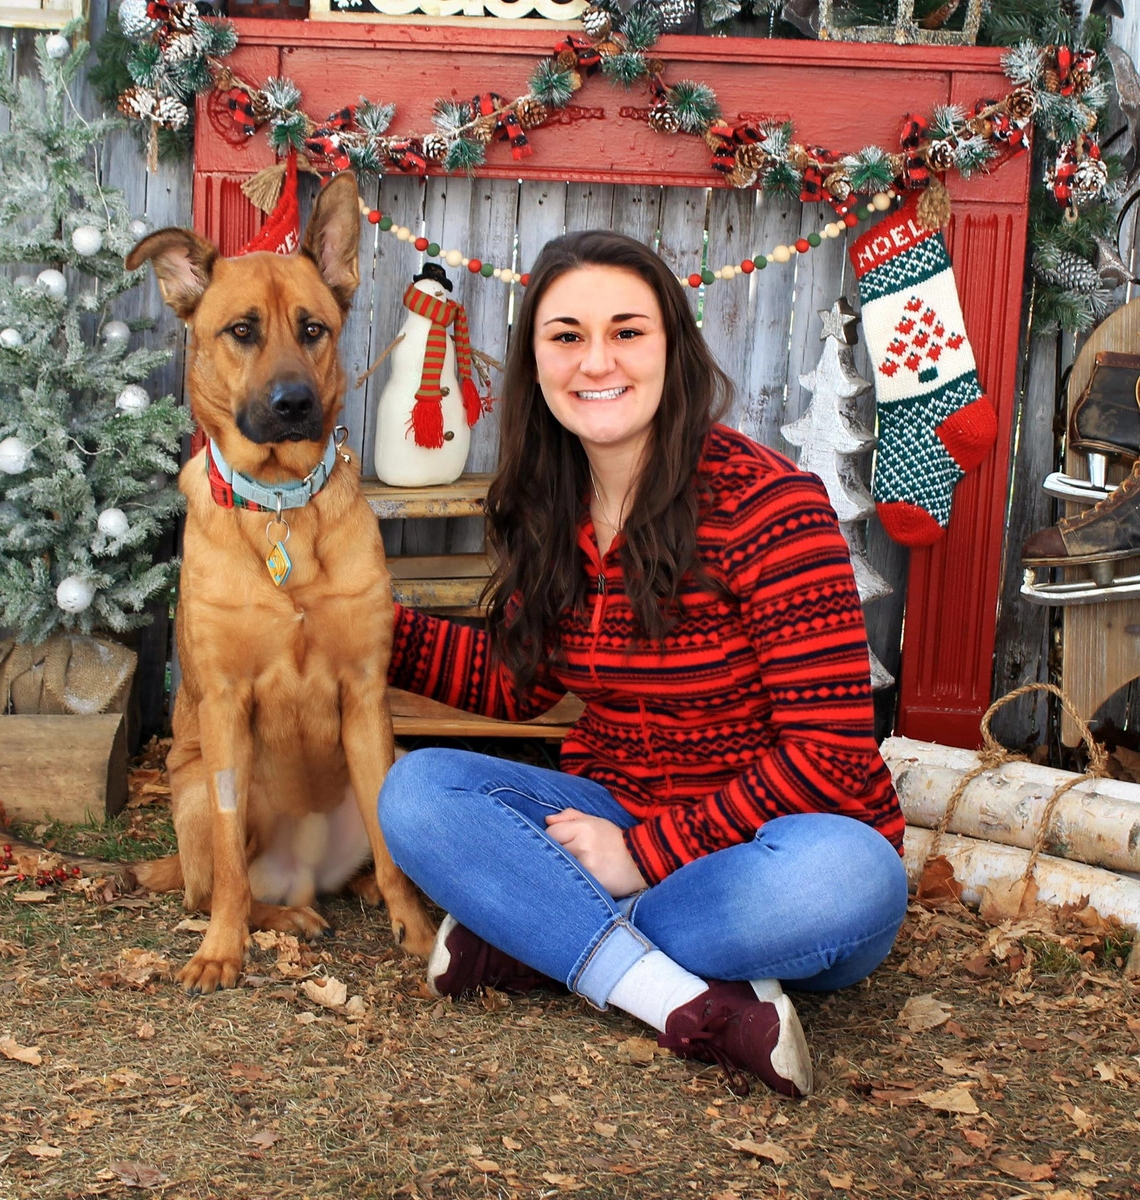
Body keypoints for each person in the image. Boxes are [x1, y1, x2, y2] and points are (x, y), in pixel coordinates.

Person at [377, 229, 908, 1099]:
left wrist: (647, 854)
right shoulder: (555, 504)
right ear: (536, 361)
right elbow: (518, 682)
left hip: (774, 850)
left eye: (626, 331)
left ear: (673, 349)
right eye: (567, 336)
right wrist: (366, 628)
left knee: (849, 878)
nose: (597, 361)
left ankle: (538, 933)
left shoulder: (771, 507)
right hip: (615, 810)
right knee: (419, 793)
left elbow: (829, 754)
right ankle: (677, 997)